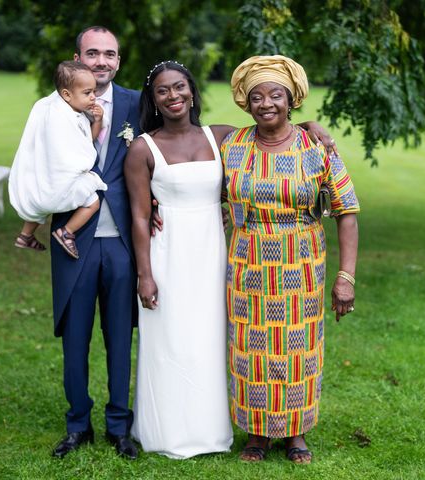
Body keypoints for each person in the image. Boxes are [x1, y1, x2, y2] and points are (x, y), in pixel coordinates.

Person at [125, 60, 340, 459]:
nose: (173, 96)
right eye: (162, 91)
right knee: (171, 338)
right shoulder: (144, 146)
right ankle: (168, 428)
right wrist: (145, 275)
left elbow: (272, 128)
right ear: (152, 100)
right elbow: (139, 214)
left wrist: (312, 127)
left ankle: (217, 428)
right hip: (169, 252)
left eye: (180, 87)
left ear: (193, 91)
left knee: (213, 338)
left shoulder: (221, 137)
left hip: (216, 252)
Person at [222, 55, 360, 464]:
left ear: (291, 99)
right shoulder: (232, 145)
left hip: (300, 263)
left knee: (297, 347)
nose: (266, 104)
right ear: (246, 104)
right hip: (246, 265)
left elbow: (346, 211)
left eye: (276, 95)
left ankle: (296, 432)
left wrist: (345, 276)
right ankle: (257, 433)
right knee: (250, 347)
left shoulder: (316, 147)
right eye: (257, 96)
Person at [49, 26, 140, 460]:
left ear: (118, 61)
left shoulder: (136, 104)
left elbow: (187, 130)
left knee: (120, 336)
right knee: (75, 337)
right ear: (77, 58)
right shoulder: (55, 109)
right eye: (92, 53)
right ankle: (77, 425)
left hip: (122, 241)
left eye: (110, 54)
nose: (101, 61)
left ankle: (119, 426)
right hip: (74, 239)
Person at [9, 61, 106, 259]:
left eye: (94, 91)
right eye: (87, 93)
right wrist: (97, 124)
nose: (93, 97)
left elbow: (83, 141)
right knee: (93, 201)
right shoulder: (65, 118)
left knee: (38, 208)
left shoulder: (61, 110)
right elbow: (87, 145)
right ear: (67, 95)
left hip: (43, 180)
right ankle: (67, 232)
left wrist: (96, 120)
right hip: (59, 180)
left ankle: (25, 235)